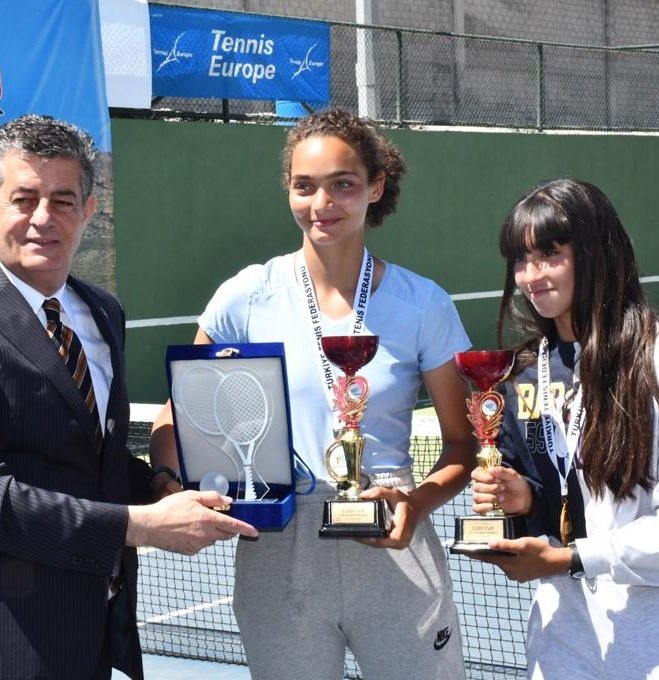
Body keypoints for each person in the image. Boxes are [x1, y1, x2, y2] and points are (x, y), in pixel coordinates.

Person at [0, 114, 257, 680]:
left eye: (61, 200)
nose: (42, 218)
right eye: (23, 198)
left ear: (89, 209)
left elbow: (83, 454)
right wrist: (143, 525)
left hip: (87, 628)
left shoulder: (103, 312)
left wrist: (155, 484)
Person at [150, 108, 478, 679]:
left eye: (342, 184)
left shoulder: (424, 304)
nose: (322, 203)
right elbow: (178, 412)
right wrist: (169, 484)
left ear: (375, 187)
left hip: (391, 529)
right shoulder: (246, 295)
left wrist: (414, 505)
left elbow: (462, 446)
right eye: (304, 186)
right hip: (278, 540)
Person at [469, 178, 659, 679]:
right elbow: (559, 500)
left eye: (550, 253)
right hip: (564, 637)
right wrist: (521, 498)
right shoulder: (526, 369)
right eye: (521, 259)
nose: (531, 275)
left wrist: (573, 559)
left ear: (595, 251)